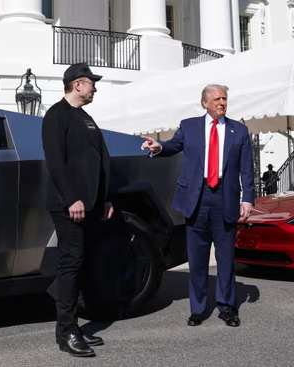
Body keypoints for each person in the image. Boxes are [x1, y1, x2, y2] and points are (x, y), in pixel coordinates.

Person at [140, 84, 255, 327]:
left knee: (225, 258)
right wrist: (158, 147)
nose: (222, 103)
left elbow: (247, 169)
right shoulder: (189, 126)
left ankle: (227, 307)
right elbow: (173, 146)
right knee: (198, 257)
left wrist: (247, 199)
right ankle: (198, 308)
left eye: (224, 98)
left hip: (225, 196)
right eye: (216, 99)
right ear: (205, 103)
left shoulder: (240, 131)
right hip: (196, 197)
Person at [41, 62, 114, 358]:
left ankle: (72, 325)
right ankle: (66, 331)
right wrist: (72, 198)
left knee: (80, 264)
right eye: (91, 83)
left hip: (91, 205)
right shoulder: (56, 115)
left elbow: (101, 158)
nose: (95, 87)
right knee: (70, 266)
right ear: (78, 84)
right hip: (68, 205)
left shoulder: (85, 117)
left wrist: (106, 198)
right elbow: (56, 162)